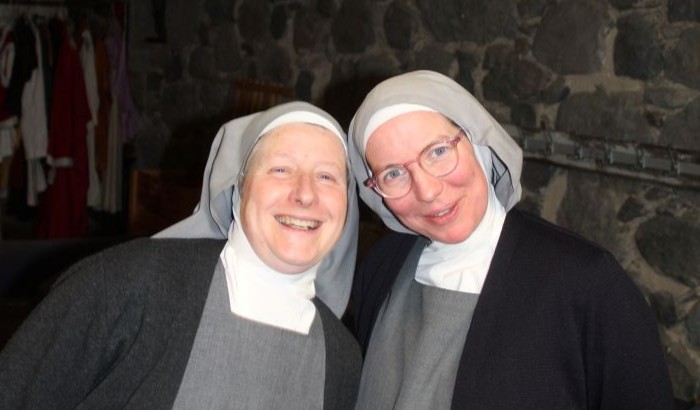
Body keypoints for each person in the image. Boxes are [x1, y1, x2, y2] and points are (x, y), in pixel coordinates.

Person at [345, 70, 674, 409]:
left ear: (477, 141)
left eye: (438, 152)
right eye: (393, 173)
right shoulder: (382, 267)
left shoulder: (585, 283)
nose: (427, 191)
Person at [0, 101, 362, 409]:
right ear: (238, 189)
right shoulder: (128, 285)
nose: (305, 194)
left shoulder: (342, 358)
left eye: (327, 177)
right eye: (280, 169)